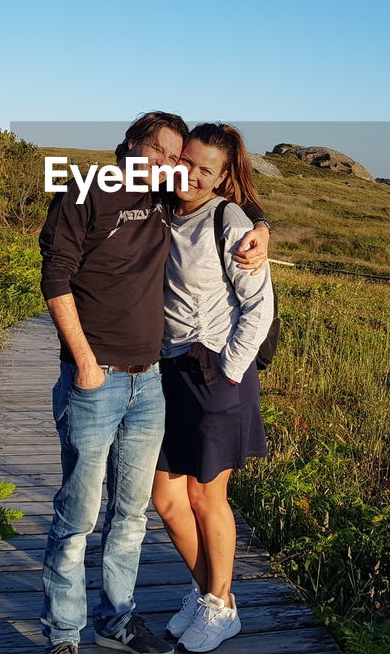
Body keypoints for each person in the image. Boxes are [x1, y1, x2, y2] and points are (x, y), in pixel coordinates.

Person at [38, 112, 270, 654]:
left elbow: (232, 211)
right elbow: (54, 274)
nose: (172, 167)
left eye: (181, 159)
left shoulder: (187, 205)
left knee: (144, 511)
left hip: (173, 380)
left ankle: (156, 612)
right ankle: (66, 635)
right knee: (91, 514)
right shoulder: (93, 187)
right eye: (165, 155)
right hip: (103, 378)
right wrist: (85, 363)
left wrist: (259, 225)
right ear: (129, 147)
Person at [152, 123, 275, 653]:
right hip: (167, 372)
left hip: (215, 372)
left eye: (206, 169)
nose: (192, 175)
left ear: (223, 178)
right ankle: (210, 595)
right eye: (187, 162)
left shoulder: (230, 221)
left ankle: (221, 605)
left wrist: (230, 370)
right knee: (166, 497)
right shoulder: (160, 205)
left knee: (207, 495)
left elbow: (259, 306)